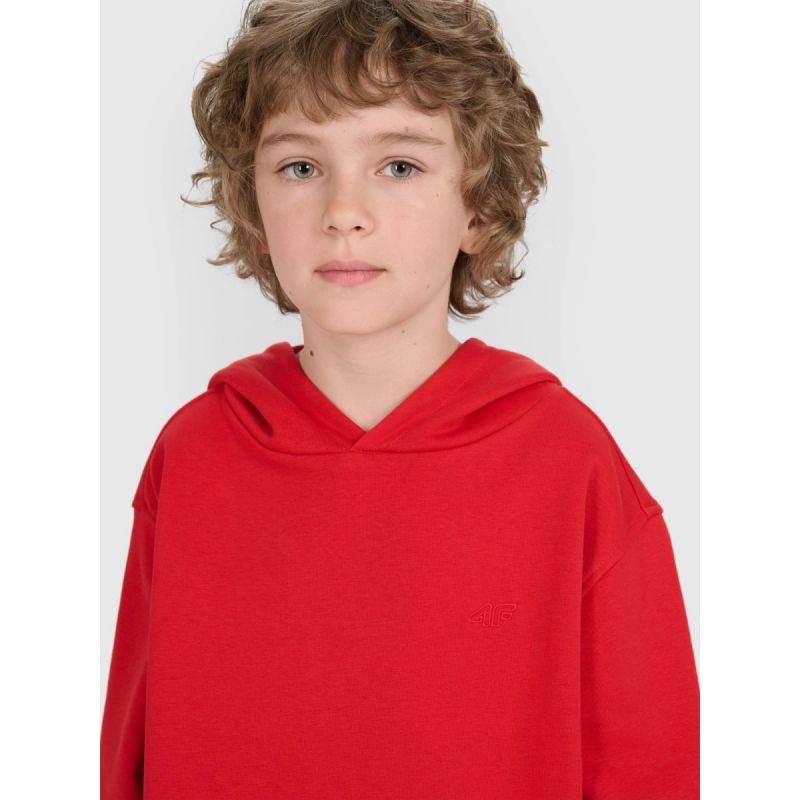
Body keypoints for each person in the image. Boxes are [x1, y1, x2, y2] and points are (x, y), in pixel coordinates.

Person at [100, 1, 700, 797]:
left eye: (400, 166)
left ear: (478, 207)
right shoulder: (192, 456)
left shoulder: (570, 463)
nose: (344, 214)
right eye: (301, 167)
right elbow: (130, 758)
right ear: (254, 204)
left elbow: (650, 763)